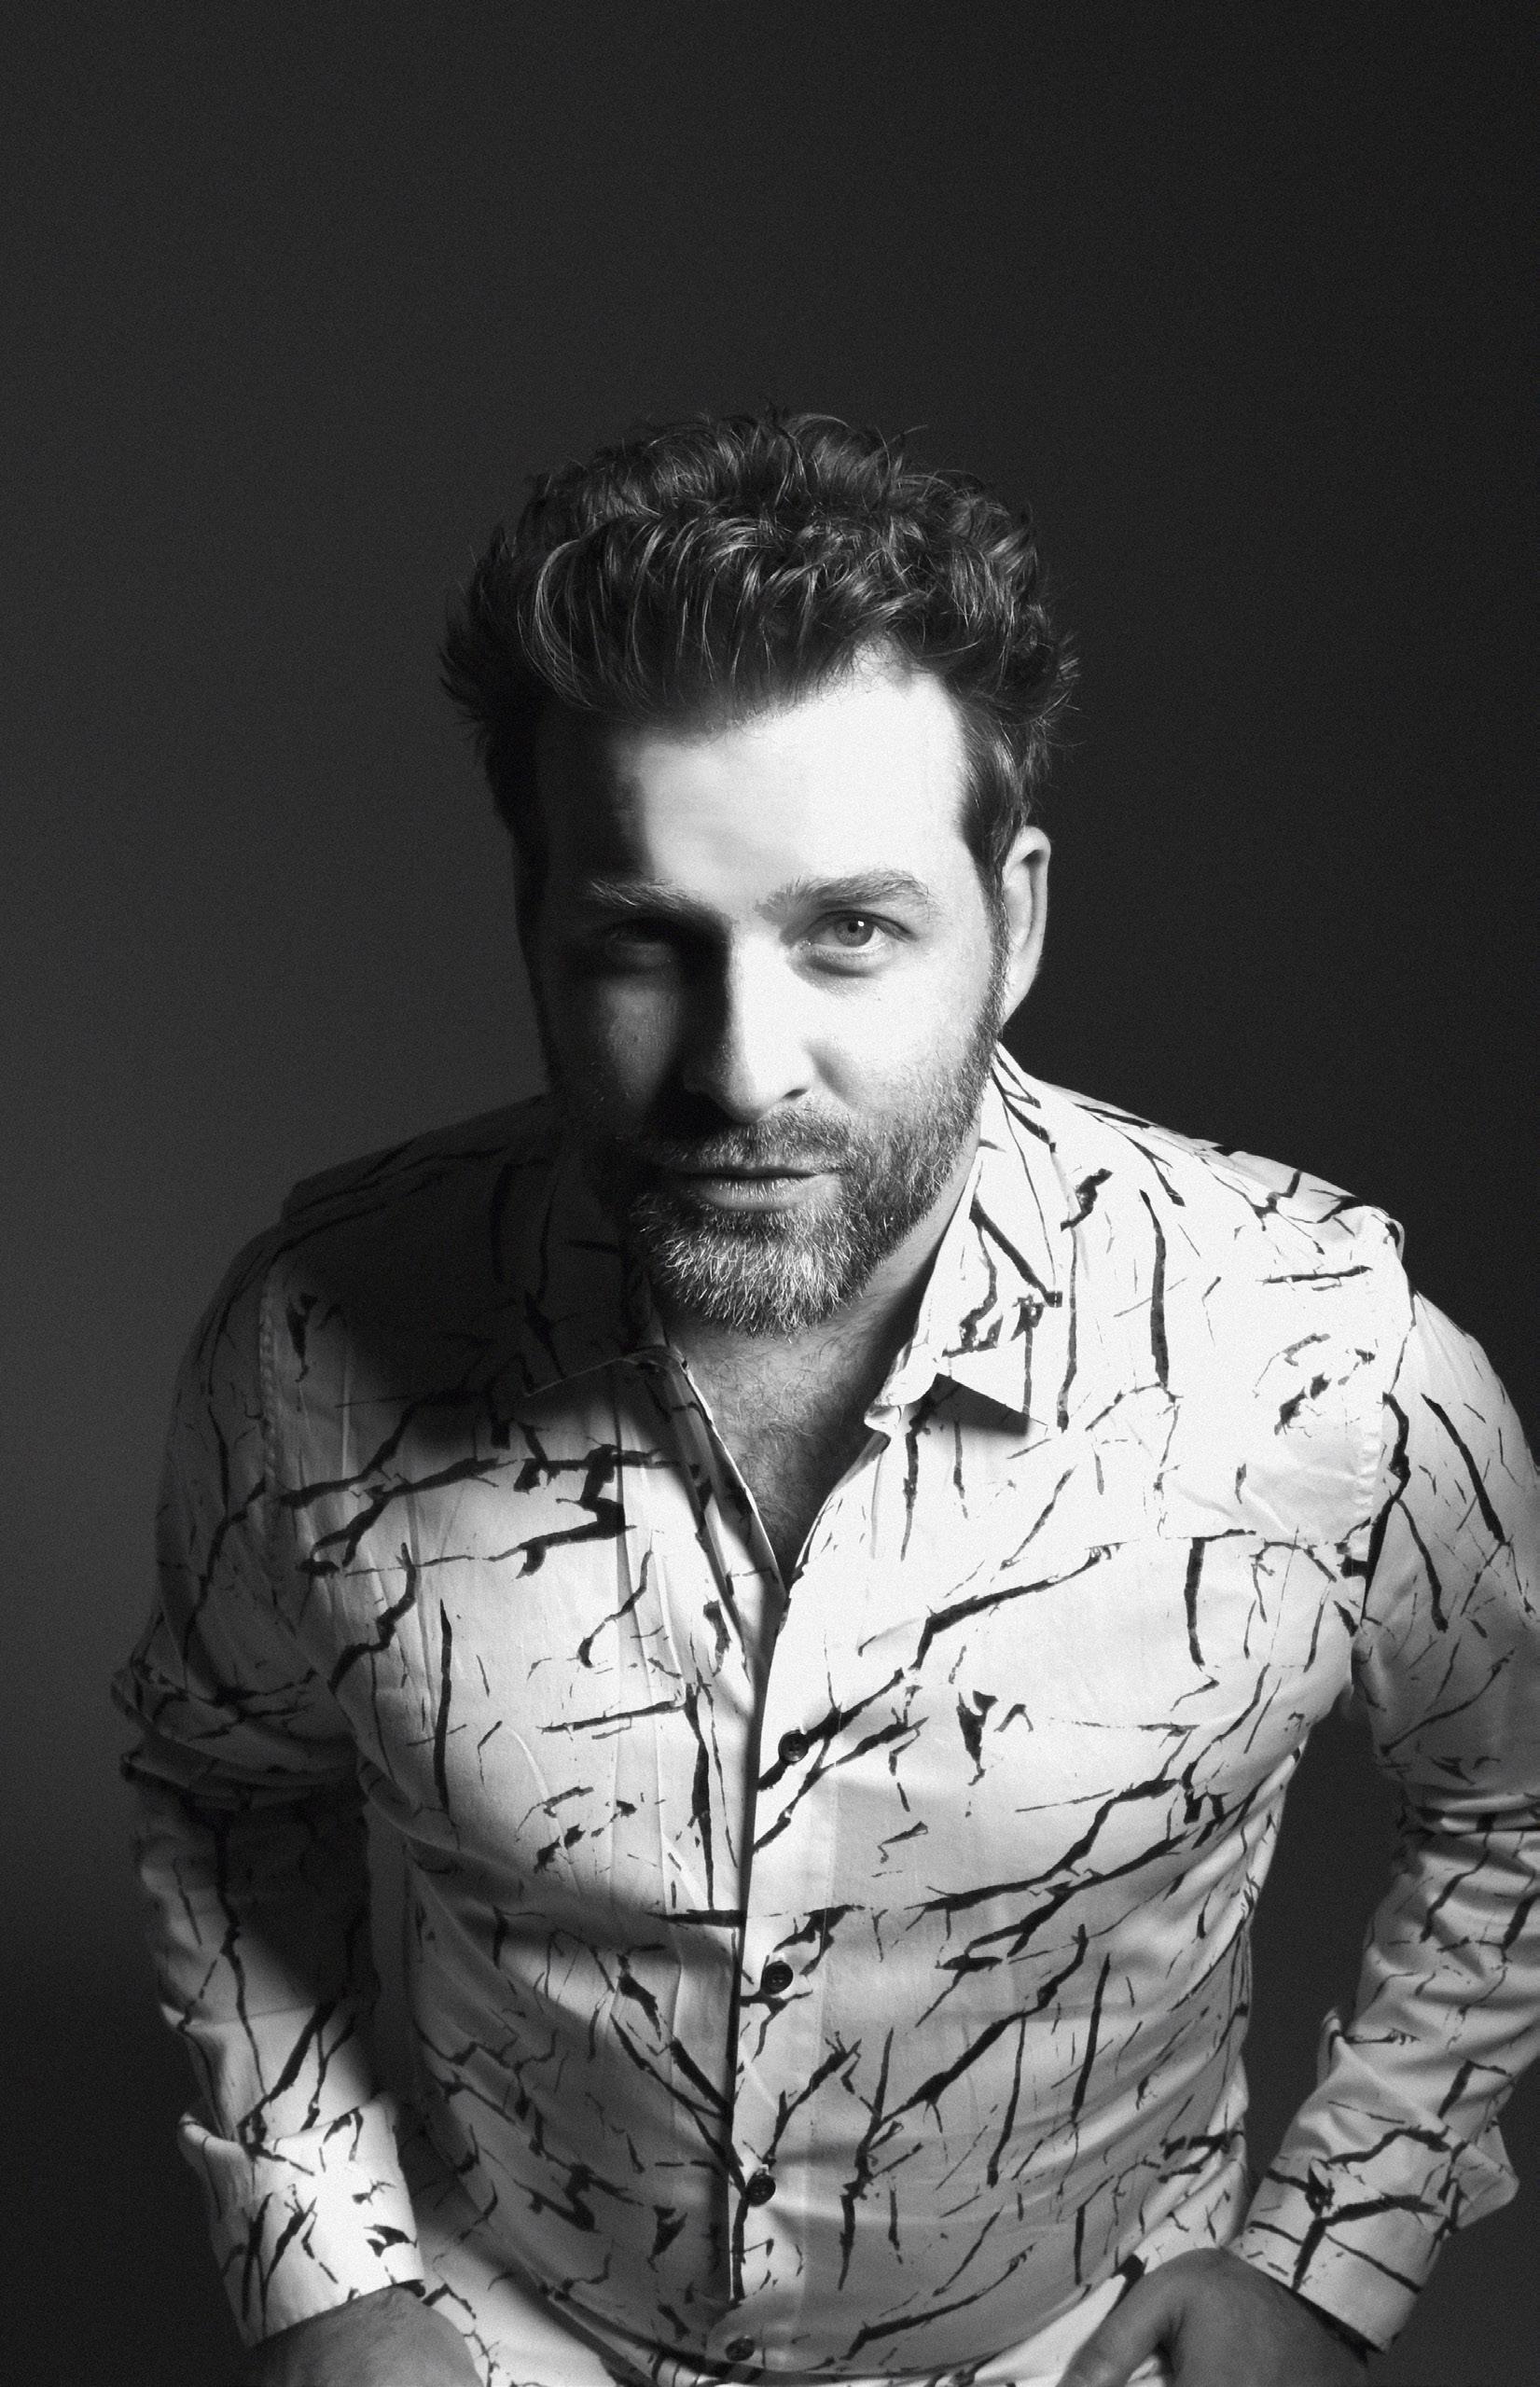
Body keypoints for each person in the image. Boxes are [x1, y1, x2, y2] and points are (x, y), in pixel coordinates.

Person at [116, 411, 1540, 2387]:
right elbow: (224, 1784)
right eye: (640, 941)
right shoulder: (310, 1343)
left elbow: (1514, 1794)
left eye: (848, 931)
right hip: (504, 2335)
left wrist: (1327, 2256)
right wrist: (325, 2269)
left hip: (1084, 2347)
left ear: (1013, 921)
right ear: (532, 923)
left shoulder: (1326, 1359)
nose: (738, 1067)